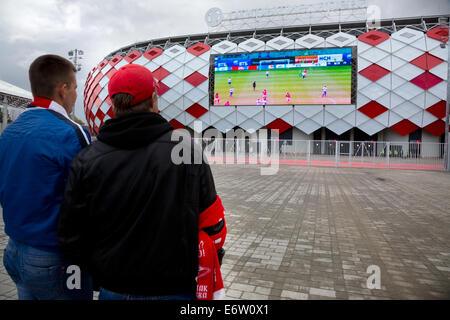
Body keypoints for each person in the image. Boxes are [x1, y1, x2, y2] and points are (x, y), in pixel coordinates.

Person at [57, 64, 227, 300]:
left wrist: (97, 274)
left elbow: (70, 232)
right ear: (154, 100)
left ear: (113, 104)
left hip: (113, 287)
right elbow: (213, 223)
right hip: (173, 288)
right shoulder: (186, 150)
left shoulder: (87, 159)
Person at [0, 54, 92, 300]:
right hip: (54, 258)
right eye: (75, 88)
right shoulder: (71, 133)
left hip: (14, 251)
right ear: (63, 89)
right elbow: (89, 196)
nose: (76, 95)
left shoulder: (9, 132)